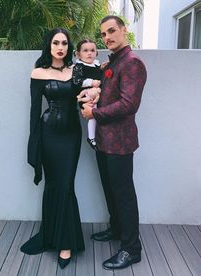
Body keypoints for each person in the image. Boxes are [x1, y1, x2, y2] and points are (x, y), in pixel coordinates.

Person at [80, 15, 147, 270]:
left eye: (111, 31)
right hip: (104, 141)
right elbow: (107, 91)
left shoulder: (132, 63)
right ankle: (117, 229)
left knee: (124, 195)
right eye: (104, 34)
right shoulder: (114, 62)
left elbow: (129, 104)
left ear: (123, 30)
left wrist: (94, 113)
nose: (107, 37)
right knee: (110, 190)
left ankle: (132, 249)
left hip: (120, 143)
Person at [20, 28, 85, 269]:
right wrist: (33, 142)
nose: (60, 47)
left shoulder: (76, 71)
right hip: (48, 135)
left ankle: (65, 242)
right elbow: (34, 111)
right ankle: (51, 235)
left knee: (66, 185)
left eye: (65, 43)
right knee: (53, 185)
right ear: (49, 45)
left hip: (71, 136)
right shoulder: (38, 72)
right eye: (56, 42)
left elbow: (85, 98)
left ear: (69, 47)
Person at [72, 39, 102, 150]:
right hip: (85, 96)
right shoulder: (79, 66)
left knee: (99, 113)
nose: (89, 53)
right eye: (85, 50)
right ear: (78, 54)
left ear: (96, 53)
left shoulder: (97, 65)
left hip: (97, 95)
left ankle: (98, 136)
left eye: (92, 50)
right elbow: (76, 81)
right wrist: (91, 82)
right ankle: (91, 137)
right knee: (93, 115)